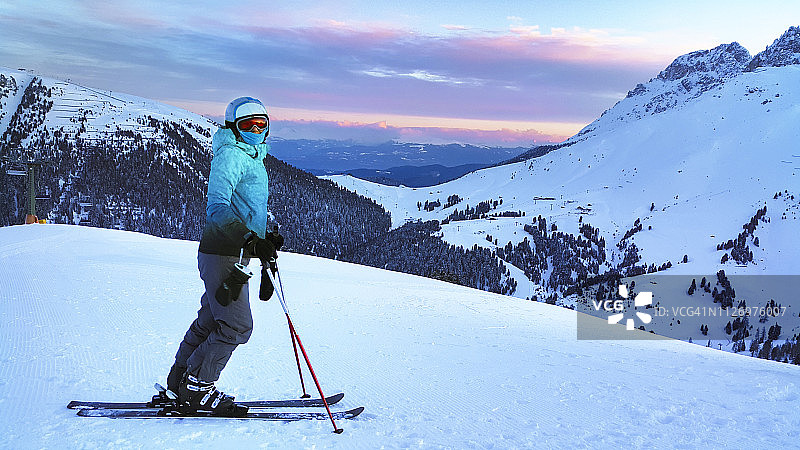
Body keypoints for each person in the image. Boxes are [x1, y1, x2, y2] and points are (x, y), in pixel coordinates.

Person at [165, 96, 284, 416]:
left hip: (236, 255)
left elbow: (244, 207)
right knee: (237, 326)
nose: (257, 130)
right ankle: (198, 389)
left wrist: (261, 239)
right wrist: (249, 238)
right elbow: (218, 207)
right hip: (224, 253)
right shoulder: (231, 155)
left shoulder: (252, 155)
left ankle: (179, 384)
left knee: (210, 320)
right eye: (248, 125)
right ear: (233, 126)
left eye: (262, 124)